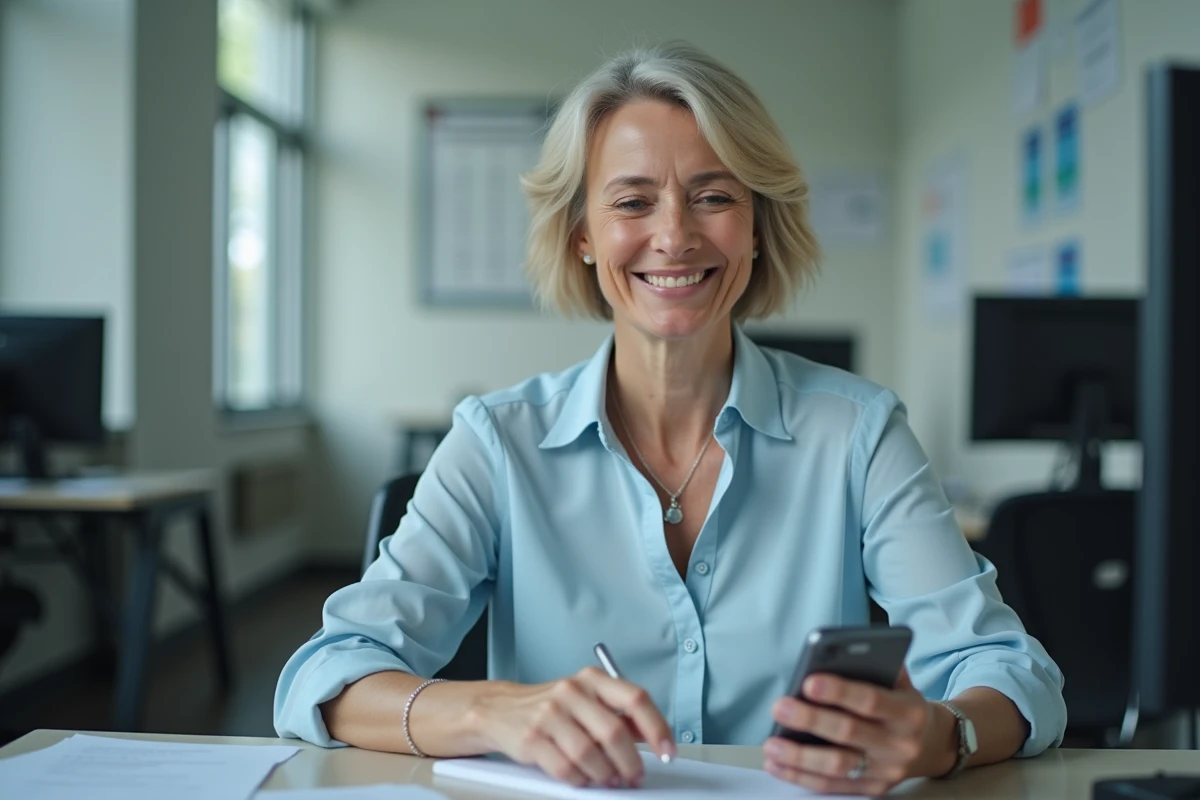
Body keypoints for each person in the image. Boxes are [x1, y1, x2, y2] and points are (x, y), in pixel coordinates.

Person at [274, 41, 1066, 796]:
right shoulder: (497, 441)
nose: (675, 235)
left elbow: (1007, 669)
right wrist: (490, 710)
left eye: (715, 196)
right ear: (583, 234)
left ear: (756, 225)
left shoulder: (858, 433)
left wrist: (942, 734)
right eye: (633, 201)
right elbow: (327, 674)